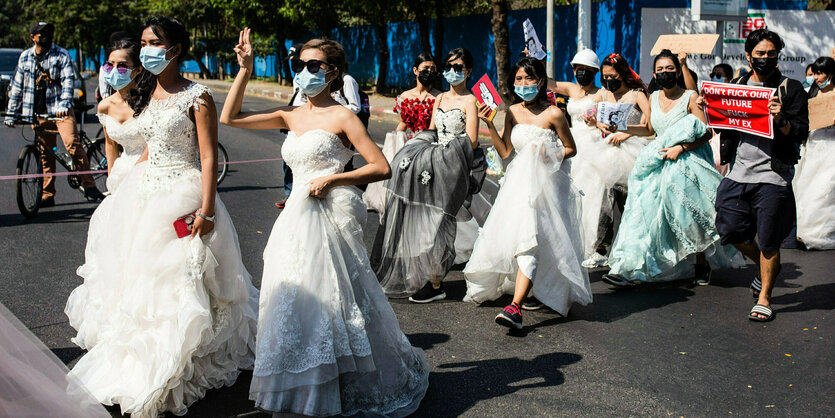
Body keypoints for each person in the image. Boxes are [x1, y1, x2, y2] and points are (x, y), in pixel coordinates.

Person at [219, 30, 429, 416]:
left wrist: (335, 178)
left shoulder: (343, 116)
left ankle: (335, 387)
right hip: (295, 218)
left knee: (334, 299)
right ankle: (299, 384)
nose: (304, 71)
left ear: (332, 73)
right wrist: (245, 70)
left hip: (330, 215)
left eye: (313, 66)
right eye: (299, 65)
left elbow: (380, 166)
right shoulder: (290, 114)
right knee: (292, 299)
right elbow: (229, 117)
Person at [65, 17, 259, 417]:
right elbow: (150, 148)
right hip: (147, 196)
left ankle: (188, 361)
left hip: (185, 194)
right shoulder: (147, 94)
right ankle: (147, 359)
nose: (147, 49)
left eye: (154, 42)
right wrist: (127, 195)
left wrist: (206, 210)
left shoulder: (197, 95)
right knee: (144, 284)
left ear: (175, 49)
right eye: (143, 42)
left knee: (185, 280)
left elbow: (207, 157)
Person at [464, 57, 591, 330]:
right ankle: (525, 296)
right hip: (518, 184)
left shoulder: (554, 114)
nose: (523, 84)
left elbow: (571, 149)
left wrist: (551, 152)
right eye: (519, 79)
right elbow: (507, 152)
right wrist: (490, 123)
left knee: (534, 239)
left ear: (541, 81)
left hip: (548, 186)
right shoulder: (512, 112)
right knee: (527, 237)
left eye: (529, 79)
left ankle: (516, 306)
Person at [601, 49, 741, 288]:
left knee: (692, 214)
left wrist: (682, 148)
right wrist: (620, 128)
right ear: (654, 73)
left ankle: (701, 263)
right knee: (642, 212)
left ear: (677, 71)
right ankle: (631, 268)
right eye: (660, 70)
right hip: (658, 158)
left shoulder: (690, 97)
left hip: (688, 159)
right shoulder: (653, 97)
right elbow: (650, 130)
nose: (665, 73)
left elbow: (706, 131)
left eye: (670, 69)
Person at [371, 47, 485, 303]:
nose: (452, 72)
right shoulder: (440, 98)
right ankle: (432, 276)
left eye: (458, 68)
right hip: (434, 163)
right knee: (428, 219)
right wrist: (416, 153)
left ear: (468, 71)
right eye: (449, 67)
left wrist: (446, 152)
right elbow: (431, 131)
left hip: (455, 164)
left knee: (442, 220)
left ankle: (435, 283)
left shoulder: (471, 101)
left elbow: (473, 140)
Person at [713, 29, 809, 322]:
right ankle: (767, 266)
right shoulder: (737, 85)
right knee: (728, 227)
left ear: (778, 56)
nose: (766, 59)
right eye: (760, 54)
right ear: (748, 56)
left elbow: (800, 132)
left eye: (772, 54)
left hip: (773, 174)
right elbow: (723, 128)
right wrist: (712, 110)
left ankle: (765, 296)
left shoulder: (791, 89)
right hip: (738, 172)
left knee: (769, 240)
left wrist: (780, 120)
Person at [4, 21, 104, 205]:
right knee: (45, 154)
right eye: (41, 33)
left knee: (72, 144)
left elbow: (68, 81)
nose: (46, 36)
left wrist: (65, 104)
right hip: (38, 113)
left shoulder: (61, 54)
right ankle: (47, 194)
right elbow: (17, 87)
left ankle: (89, 185)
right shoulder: (25, 57)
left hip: (60, 110)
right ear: (32, 37)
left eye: (49, 32)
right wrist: (11, 113)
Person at [578, 52, 651, 268]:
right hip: (606, 152)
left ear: (623, 74)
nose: (609, 80)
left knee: (629, 204)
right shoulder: (603, 95)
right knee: (602, 202)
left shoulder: (637, 95)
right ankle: (600, 249)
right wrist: (594, 122)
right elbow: (595, 119)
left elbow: (650, 125)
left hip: (632, 153)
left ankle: (633, 249)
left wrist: (625, 132)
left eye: (613, 76)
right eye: (606, 76)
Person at [363, 52, 441, 215]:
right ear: (415, 70)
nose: (429, 72)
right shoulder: (405, 96)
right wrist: (393, 141)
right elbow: (405, 122)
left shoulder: (439, 97)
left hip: (431, 145)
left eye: (433, 69)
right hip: (409, 145)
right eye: (425, 68)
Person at [96, 36, 153, 192]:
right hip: (121, 174)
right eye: (109, 65)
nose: (114, 71)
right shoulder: (104, 106)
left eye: (122, 66)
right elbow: (110, 144)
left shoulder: (151, 102)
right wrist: (112, 179)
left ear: (138, 69)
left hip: (151, 174)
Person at [792, 56, 835, 250]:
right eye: (815, 73)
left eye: (820, 73)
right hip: (813, 145)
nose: (816, 77)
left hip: (831, 147)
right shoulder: (811, 93)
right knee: (805, 186)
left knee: (825, 189)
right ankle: (804, 230)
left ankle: (822, 232)